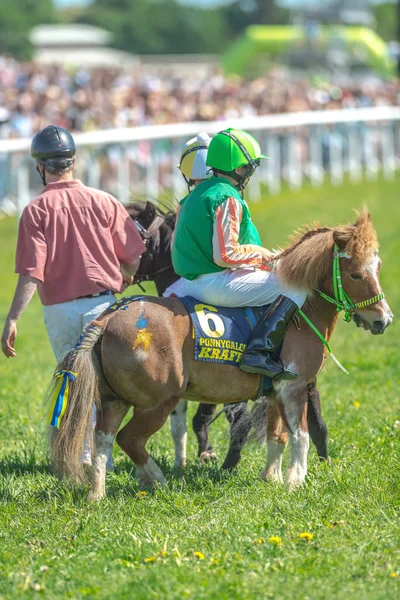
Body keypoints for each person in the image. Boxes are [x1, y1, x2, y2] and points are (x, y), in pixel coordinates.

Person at [1, 125, 146, 461]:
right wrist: (123, 280)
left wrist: (12, 318)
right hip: (104, 306)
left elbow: (31, 274)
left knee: (73, 381)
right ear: (74, 161)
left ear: (40, 166)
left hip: (60, 311)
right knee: (105, 385)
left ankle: (80, 456)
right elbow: (134, 256)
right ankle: (102, 460)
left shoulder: (36, 211)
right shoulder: (104, 200)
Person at [169, 127, 307, 380]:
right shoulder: (227, 196)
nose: (250, 173)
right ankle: (259, 351)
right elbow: (225, 255)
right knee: (297, 287)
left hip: (186, 284)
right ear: (239, 168)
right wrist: (262, 254)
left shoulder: (191, 197)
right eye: (249, 167)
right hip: (215, 283)